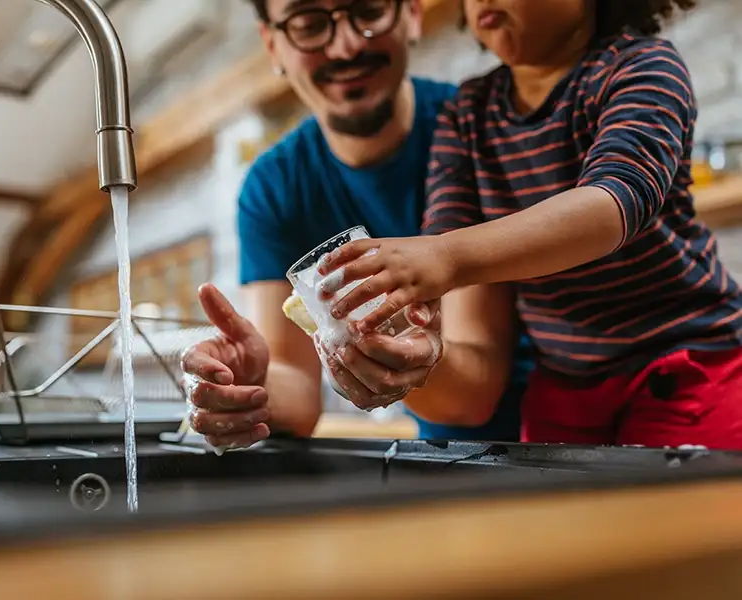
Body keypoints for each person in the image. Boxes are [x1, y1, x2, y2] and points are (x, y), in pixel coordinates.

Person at [317, 0, 742, 448]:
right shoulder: (467, 114)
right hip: (563, 386)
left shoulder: (641, 67)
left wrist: (446, 257)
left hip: (687, 365)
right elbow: (447, 239)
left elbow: (612, 206)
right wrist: (413, 336)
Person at [180, 0, 536, 450]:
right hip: (444, 458)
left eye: (367, 11)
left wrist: (405, 361)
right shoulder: (275, 186)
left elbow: (474, 394)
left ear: (411, 13)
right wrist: (249, 386)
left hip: (554, 444)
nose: (345, 48)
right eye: (309, 24)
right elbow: (299, 393)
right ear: (273, 45)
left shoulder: (471, 133)